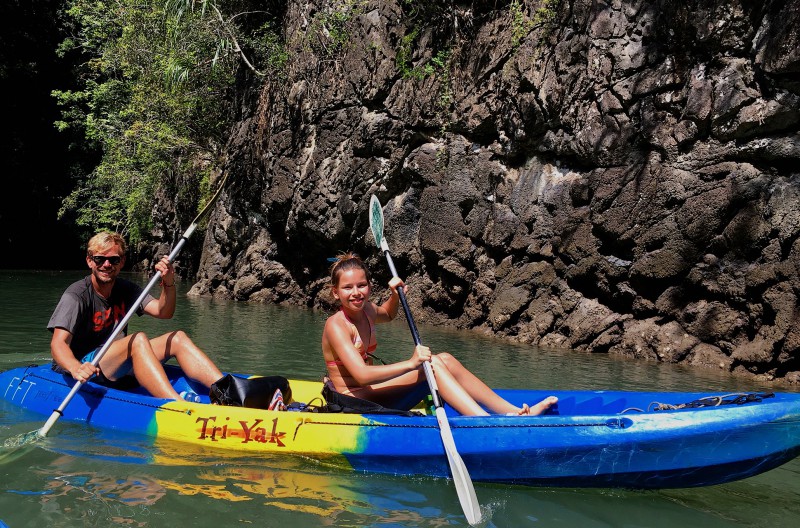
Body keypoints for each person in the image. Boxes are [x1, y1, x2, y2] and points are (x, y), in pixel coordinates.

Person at [321, 253, 558, 416]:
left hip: (371, 392)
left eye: (361, 285)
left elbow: (389, 314)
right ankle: (481, 421)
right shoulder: (336, 325)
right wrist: (411, 364)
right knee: (431, 366)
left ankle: (513, 411)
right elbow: (362, 375)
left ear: (369, 286)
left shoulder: (368, 310)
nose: (356, 293)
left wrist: (395, 296)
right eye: (347, 288)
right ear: (335, 293)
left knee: (444, 359)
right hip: (353, 399)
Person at [48, 231, 223, 400]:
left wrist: (168, 282)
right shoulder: (76, 295)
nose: (107, 265)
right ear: (90, 261)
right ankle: (176, 405)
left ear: (122, 262)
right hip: (85, 364)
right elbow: (58, 343)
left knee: (177, 339)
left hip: (115, 361)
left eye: (114, 260)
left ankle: (229, 391)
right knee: (137, 340)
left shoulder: (126, 289)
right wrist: (75, 367)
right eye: (100, 259)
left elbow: (164, 312)